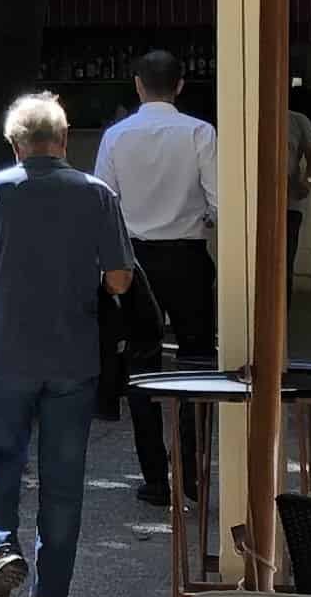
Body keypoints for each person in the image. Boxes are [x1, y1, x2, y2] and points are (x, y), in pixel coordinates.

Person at [0, 92, 138, 597]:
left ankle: (1, 547)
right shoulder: (97, 194)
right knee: (63, 477)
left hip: (7, 351)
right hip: (72, 356)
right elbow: (120, 279)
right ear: (64, 139)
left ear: (15, 145)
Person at [90, 49, 218, 508]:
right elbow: (220, 201)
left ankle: (154, 477)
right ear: (180, 85)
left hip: (134, 258)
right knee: (199, 363)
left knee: (141, 367)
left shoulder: (116, 137)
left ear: (138, 85)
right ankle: (192, 470)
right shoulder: (201, 133)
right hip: (186, 254)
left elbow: (103, 204)